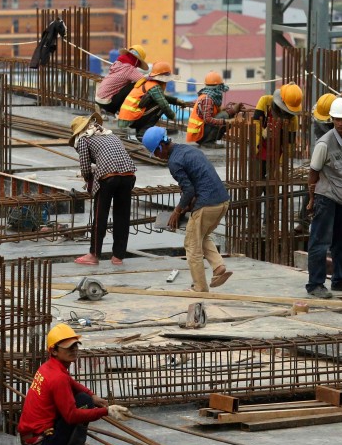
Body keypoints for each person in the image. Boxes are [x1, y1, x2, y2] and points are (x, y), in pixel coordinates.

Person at [19, 324, 130, 445]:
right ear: (54, 351)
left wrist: (92, 395)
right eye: (68, 347)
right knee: (84, 403)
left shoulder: (48, 367)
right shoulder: (57, 378)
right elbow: (71, 416)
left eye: (75, 345)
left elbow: (70, 382)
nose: (74, 350)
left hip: (31, 439)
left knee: (85, 398)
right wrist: (106, 411)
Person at [144, 128, 232, 292]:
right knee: (202, 236)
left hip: (207, 205)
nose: (157, 156)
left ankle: (199, 287)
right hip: (223, 202)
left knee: (192, 245)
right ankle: (218, 267)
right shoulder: (188, 149)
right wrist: (187, 206)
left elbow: (189, 190)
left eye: (155, 152)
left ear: (161, 146)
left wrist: (177, 211)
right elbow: (197, 183)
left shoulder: (174, 162)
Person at [305, 97, 342, 299]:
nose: (341, 123)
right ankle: (315, 284)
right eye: (337, 119)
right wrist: (311, 199)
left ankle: (340, 280)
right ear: (332, 119)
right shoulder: (324, 143)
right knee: (319, 242)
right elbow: (313, 173)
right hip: (325, 197)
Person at [69, 112, 137, 266]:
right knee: (122, 216)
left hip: (108, 177)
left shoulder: (83, 139)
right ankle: (118, 256)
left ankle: (94, 254)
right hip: (128, 175)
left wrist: (89, 181)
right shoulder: (110, 135)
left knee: (100, 216)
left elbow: (85, 167)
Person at [117, 61, 186, 139]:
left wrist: (176, 101)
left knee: (157, 102)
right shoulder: (154, 86)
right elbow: (163, 103)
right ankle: (143, 132)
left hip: (126, 118)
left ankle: (140, 131)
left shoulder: (149, 83)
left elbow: (161, 96)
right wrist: (173, 116)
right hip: (131, 119)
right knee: (160, 106)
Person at [252, 83, 303, 174]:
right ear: (281, 100)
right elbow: (255, 124)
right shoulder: (265, 101)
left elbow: (289, 146)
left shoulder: (293, 119)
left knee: (272, 184)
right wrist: (262, 133)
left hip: (277, 155)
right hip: (259, 149)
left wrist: (280, 165)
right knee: (256, 181)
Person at [186, 71, 241, 146]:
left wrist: (233, 110)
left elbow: (216, 113)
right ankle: (208, 142)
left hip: (200, 132)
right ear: (217, 87)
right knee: (224, 116)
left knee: (227, 115)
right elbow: (208, 120)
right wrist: (227, 121)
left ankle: (210, 140)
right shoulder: (207, 99)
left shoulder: (210, 96)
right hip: (198, 135)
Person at [95, 45, 148, 116]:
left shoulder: (118, 63)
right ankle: (119, 111)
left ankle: (104, 110)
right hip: (108, 103)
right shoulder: (129, 69)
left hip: (98, 99)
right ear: (137, 60)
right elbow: (143, 80)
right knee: (135, 86)